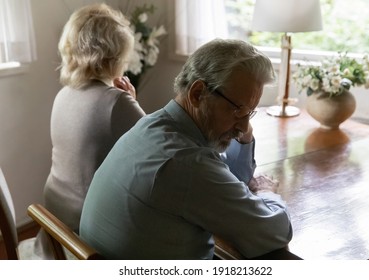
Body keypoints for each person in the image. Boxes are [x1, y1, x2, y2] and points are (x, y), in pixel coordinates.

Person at [80, 39, 292, 260]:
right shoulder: (186, 164)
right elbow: (273, 234)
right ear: (198, 93)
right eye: (237, 110)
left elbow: (225, 182)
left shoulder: (151, 125)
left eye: (250, 113)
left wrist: (241, 125)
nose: (242, 125)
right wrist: (267, 193)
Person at [33, 3, 145, 259]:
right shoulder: (116, 102)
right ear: (113, 56)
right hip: (85, 238)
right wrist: (133, 102)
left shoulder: (64, 95)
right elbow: (161, 149)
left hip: (54, 222)